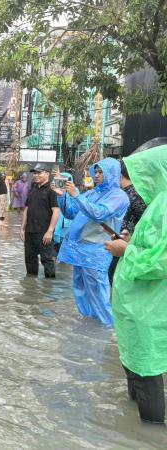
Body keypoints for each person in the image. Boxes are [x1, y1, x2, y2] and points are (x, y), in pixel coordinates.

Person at [105, 145, 166, 424]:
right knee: (136, 365)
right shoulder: (159, 203)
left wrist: (125, 250)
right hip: (136, 305)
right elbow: (152, 248)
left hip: (148, 307)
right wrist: (130, 243)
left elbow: (161, 261)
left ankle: (150, 432)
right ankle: (134, 432)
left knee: (146, 370)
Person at [53, 158, 129, 325]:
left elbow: (99, 213)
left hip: (97, 251)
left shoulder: (119, 196)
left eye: (101, 172)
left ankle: (107, 328)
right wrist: (62, 195)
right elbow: (71, 213)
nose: (97, 175)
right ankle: (88, 327)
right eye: (96, 171)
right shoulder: (91, 193)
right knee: (80, 290)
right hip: (79, 250)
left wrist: (76, 195)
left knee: (98, 293)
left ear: (112, 173)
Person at [108, 160, 147, 285]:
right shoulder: (123, 193)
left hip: (127, 246)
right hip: (119, 243)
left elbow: (144, 219)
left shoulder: (135, 194)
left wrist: (131, 238)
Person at [20, 164, 60, 278]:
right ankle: (31, 286)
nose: (36, 175)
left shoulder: (52, 190)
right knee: (29, 260)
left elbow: (56, 211)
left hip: (44, 233)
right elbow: (26, 209)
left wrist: (50, 231)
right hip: (29, 232)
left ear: (47, 174)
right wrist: (22, 228)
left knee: (47, 261)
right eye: (35, 173)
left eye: (39, 173)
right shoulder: (32, 188)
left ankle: (49, 285)